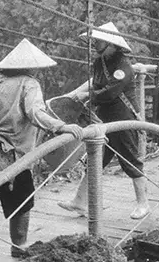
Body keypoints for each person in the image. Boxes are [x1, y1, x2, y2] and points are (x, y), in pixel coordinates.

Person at [0, 38, 83, 262]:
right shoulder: (29, 84)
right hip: (12, 153)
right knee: (22, 200)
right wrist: (61, 126)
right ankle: (19, 245)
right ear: (30, 66)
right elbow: (35, 112)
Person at [59, 22, 150, 219]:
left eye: (101, 41)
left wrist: (87, 96)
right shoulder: (98, 64)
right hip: (104, 120)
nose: (97, 44)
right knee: (95, 160)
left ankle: (143, 203)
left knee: (130, 160)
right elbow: (97, 85)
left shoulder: (123, 66)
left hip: (124, 119)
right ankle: (80, 202)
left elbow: (109, 92)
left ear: (112, 44)